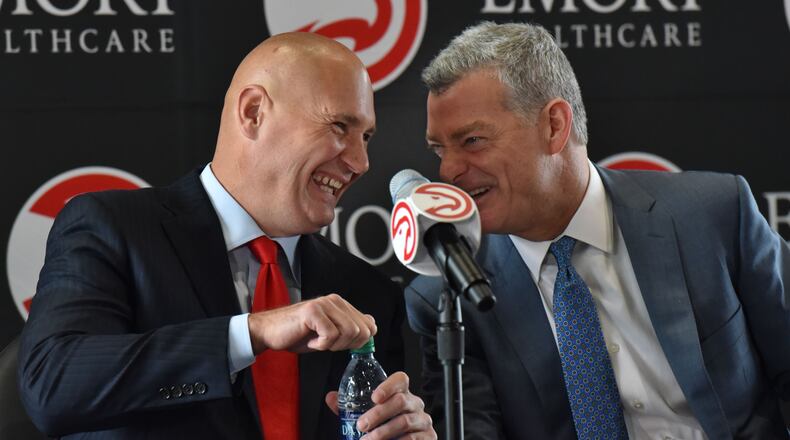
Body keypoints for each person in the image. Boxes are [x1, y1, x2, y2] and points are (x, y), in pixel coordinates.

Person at [18, 32, 435, 440]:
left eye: (366, 137)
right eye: (339, 126)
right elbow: (53, 386)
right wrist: (250, 334)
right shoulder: (114, 228)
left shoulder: (366, 292)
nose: (360, 162)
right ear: (253, 112)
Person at [405, 21, 790, 439]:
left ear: (554, 125)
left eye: (473, 140)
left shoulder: (712, 214)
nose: (448, 172)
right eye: (440, 150)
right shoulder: (449, 294)